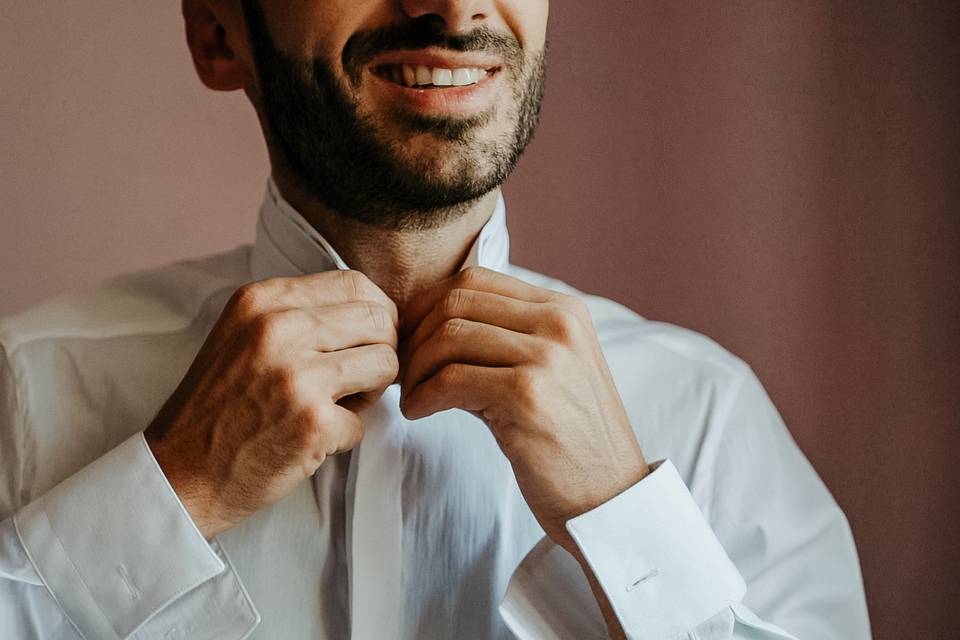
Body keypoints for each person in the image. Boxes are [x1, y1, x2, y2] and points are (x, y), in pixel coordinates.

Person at [0, 1, 871, 638]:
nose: (450, 8)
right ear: (219, 32)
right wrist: (167, 496)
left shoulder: (708, 415)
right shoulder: (26, 388)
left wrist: (624, 522)